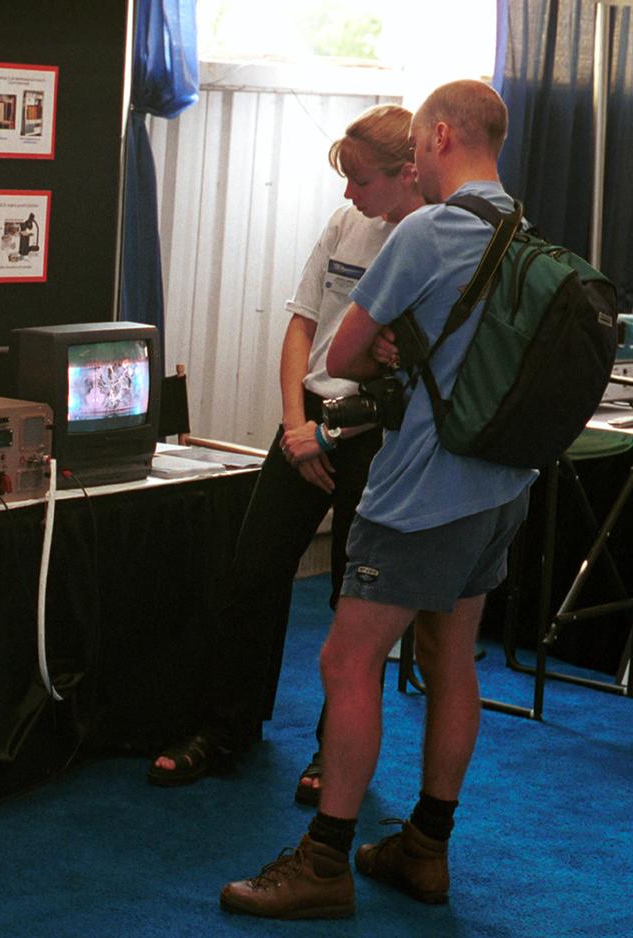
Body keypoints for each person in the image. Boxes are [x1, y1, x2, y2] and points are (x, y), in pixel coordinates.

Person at [219, 79, 537, 920]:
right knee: (450, 660)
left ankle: (324, 858)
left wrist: (385, 346)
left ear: (436, 137)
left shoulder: (429, 231)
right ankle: (426, 849)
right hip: (499, 487)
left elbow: (347, 354)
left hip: (422, 487)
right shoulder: (522, 232)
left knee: (345, 660)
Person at [146, 104, 425, 800]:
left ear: (405, 174)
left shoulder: (429, 240)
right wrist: (296, 424)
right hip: (306, 424)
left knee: (349, 600)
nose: (348, 195)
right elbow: (303, 325)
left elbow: (406, 372)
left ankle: (336, 752)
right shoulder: (345, 224)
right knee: (250, 576)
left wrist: (330, 434)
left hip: (372, 439)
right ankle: (227, 729)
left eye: (360, 181)